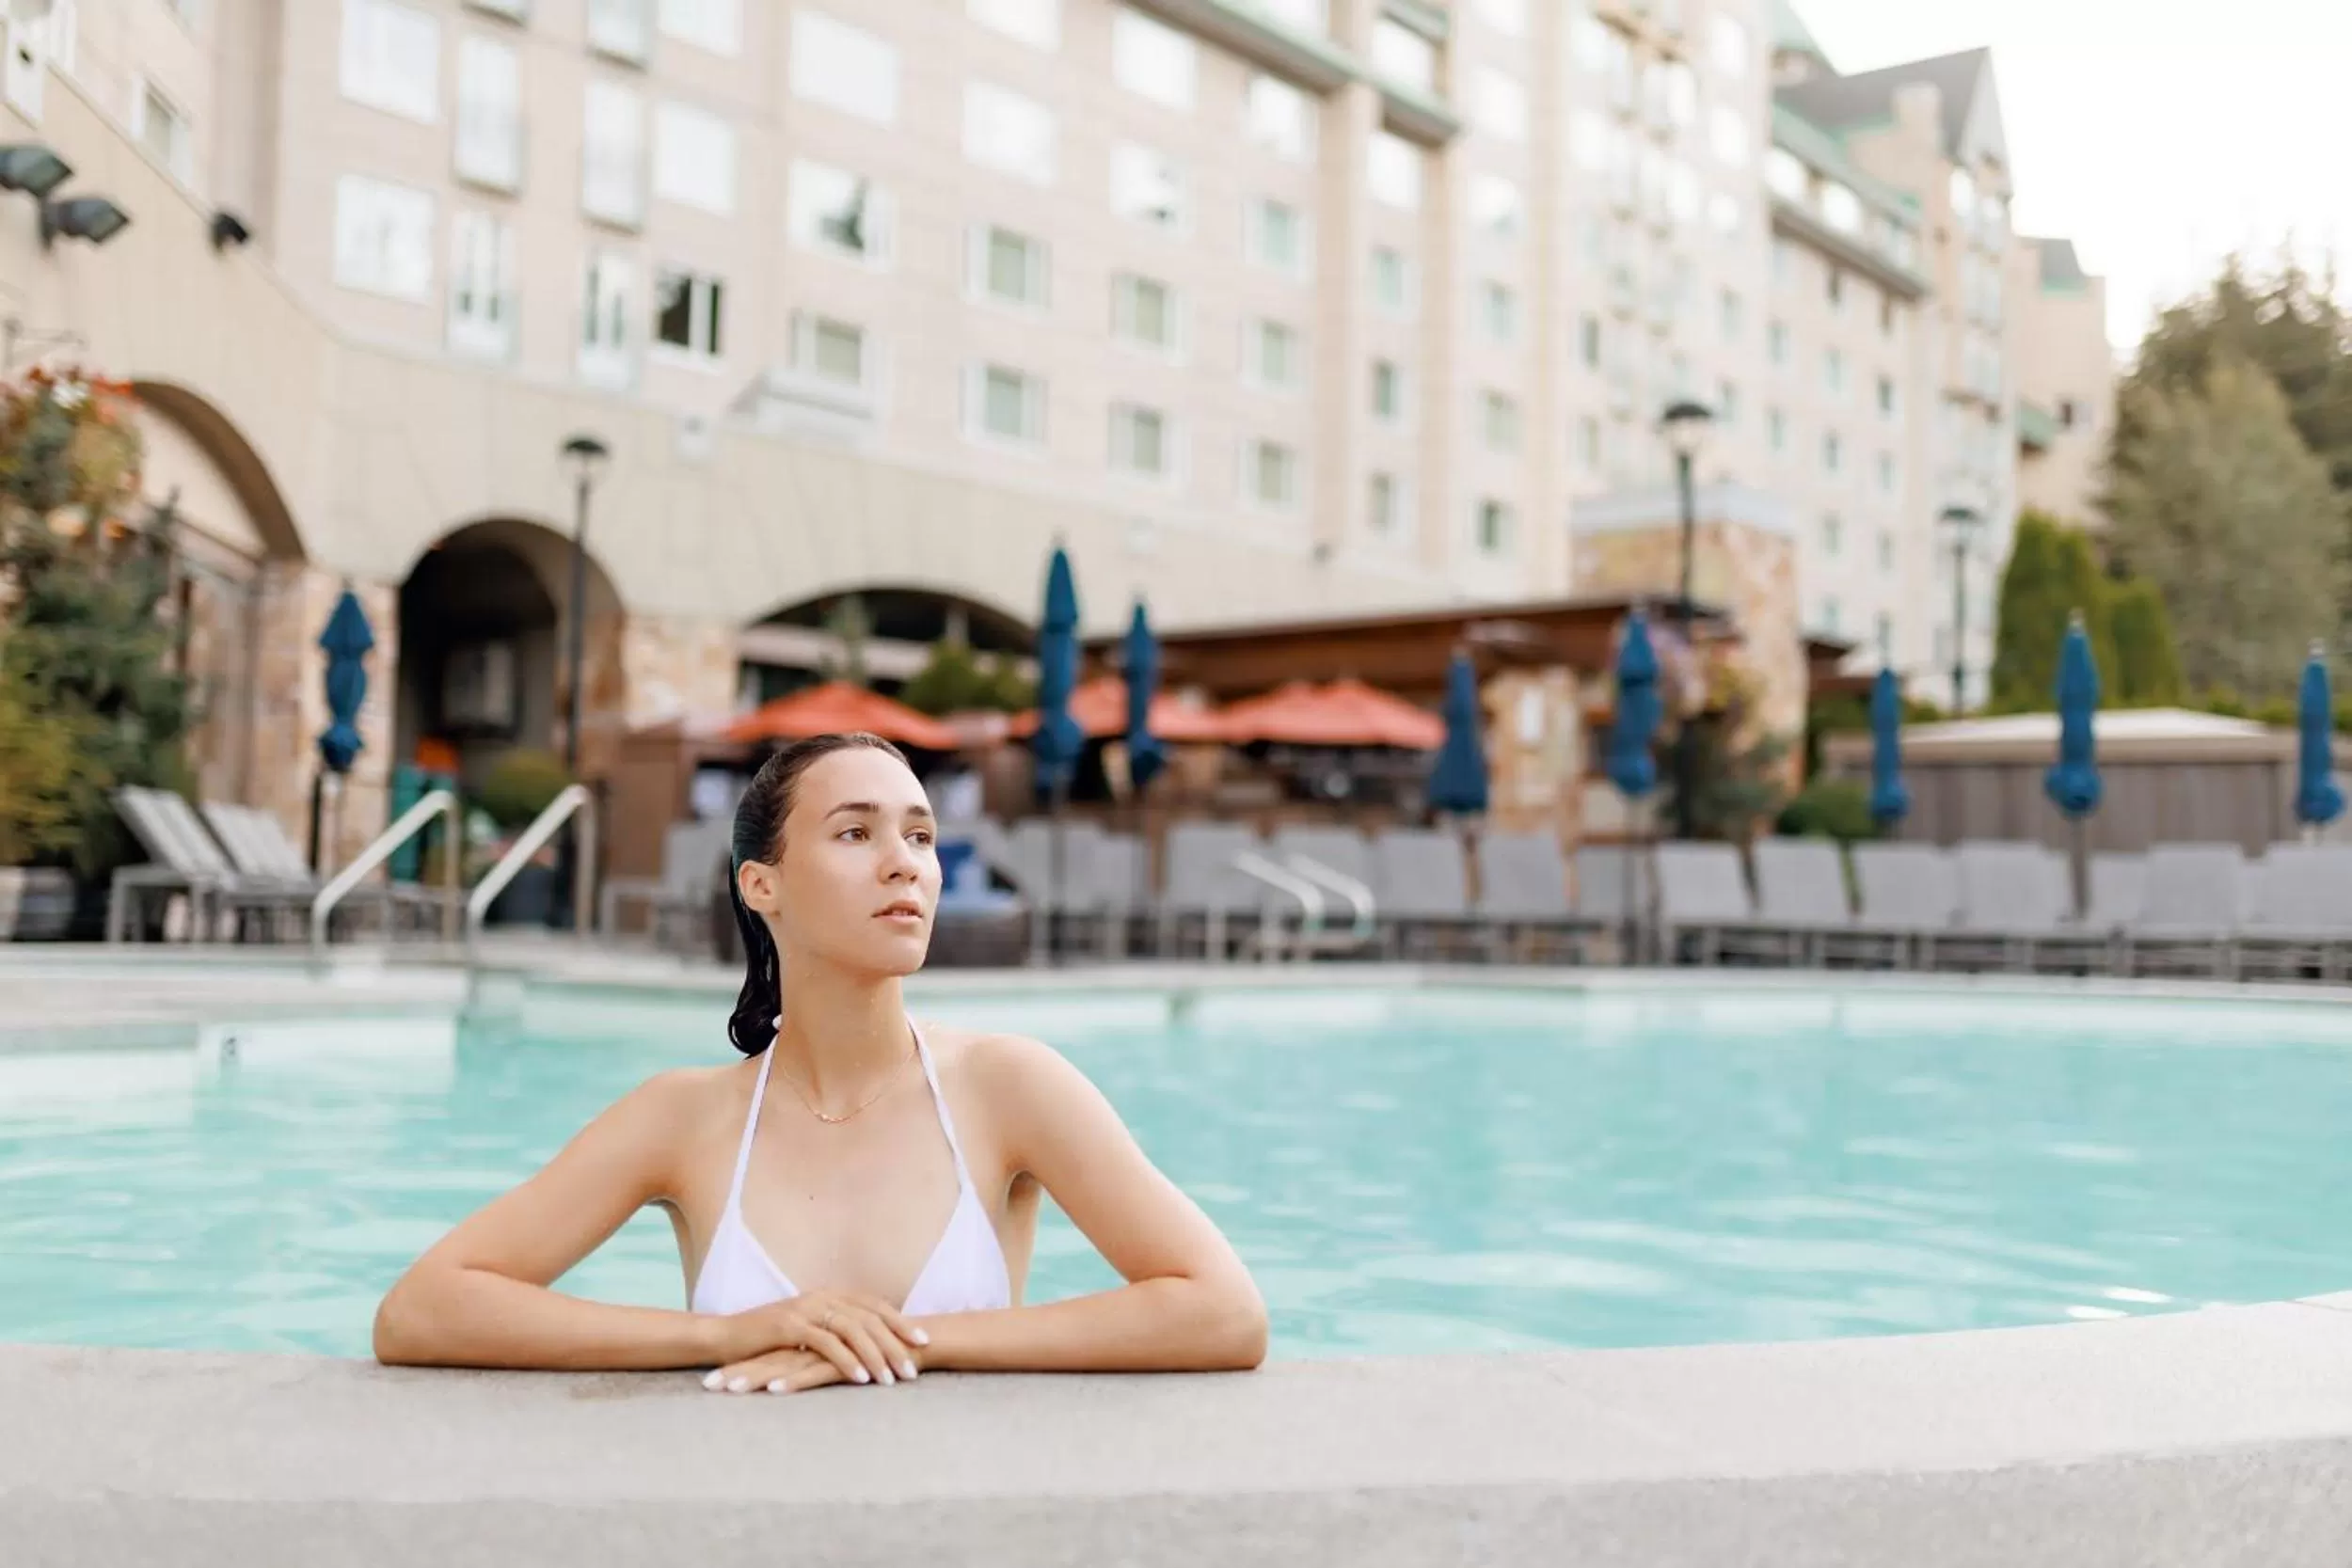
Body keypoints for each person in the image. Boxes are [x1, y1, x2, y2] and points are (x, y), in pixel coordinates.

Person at [375, 732, 1265, 1392]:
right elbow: (422, 1308)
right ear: (762, 884)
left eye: (920, 836)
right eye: (855, 834)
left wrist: (918, 1339)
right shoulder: (685, 1117)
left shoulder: (1008, 1087)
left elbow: (1223, 1309)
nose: (904, 865)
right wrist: (730, 1334)